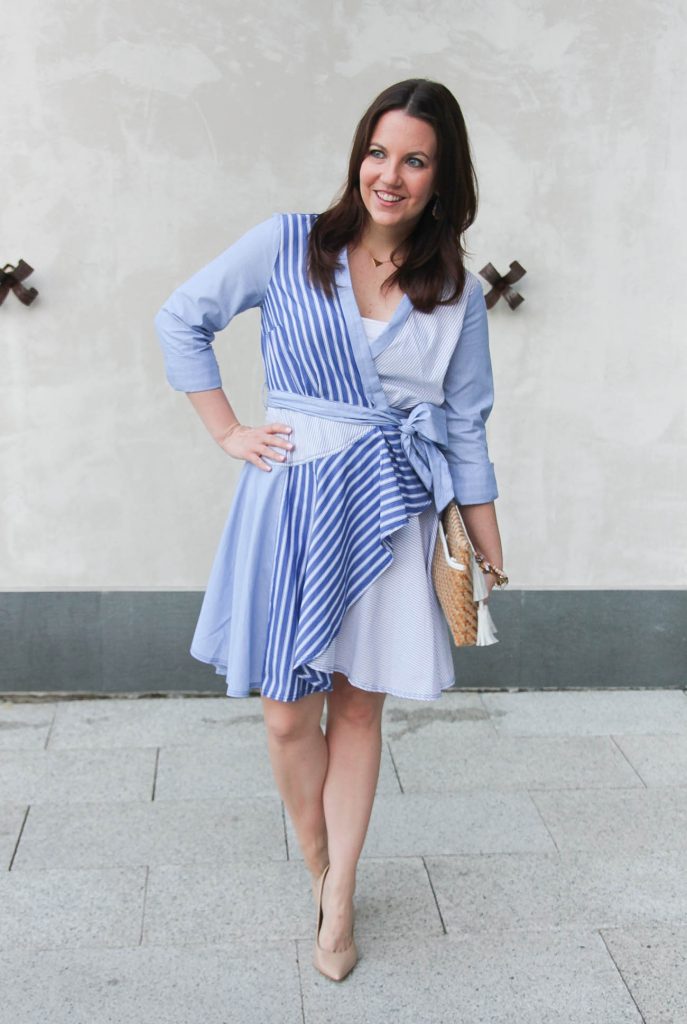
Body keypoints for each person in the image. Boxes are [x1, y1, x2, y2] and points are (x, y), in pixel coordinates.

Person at [154, 78, 505, 982]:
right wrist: (229, 429)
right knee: (284, 716)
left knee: (356, 704)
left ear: (441, 178)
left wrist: (484, 534)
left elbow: (464, 423)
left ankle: (338, 894)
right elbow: (181, 320)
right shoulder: (288, 243)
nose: (389, 175)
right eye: (378, 152)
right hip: (293, 503)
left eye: (414, 160)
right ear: (359, 155)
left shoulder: (455, 291)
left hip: (391, 510)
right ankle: (315, 860)